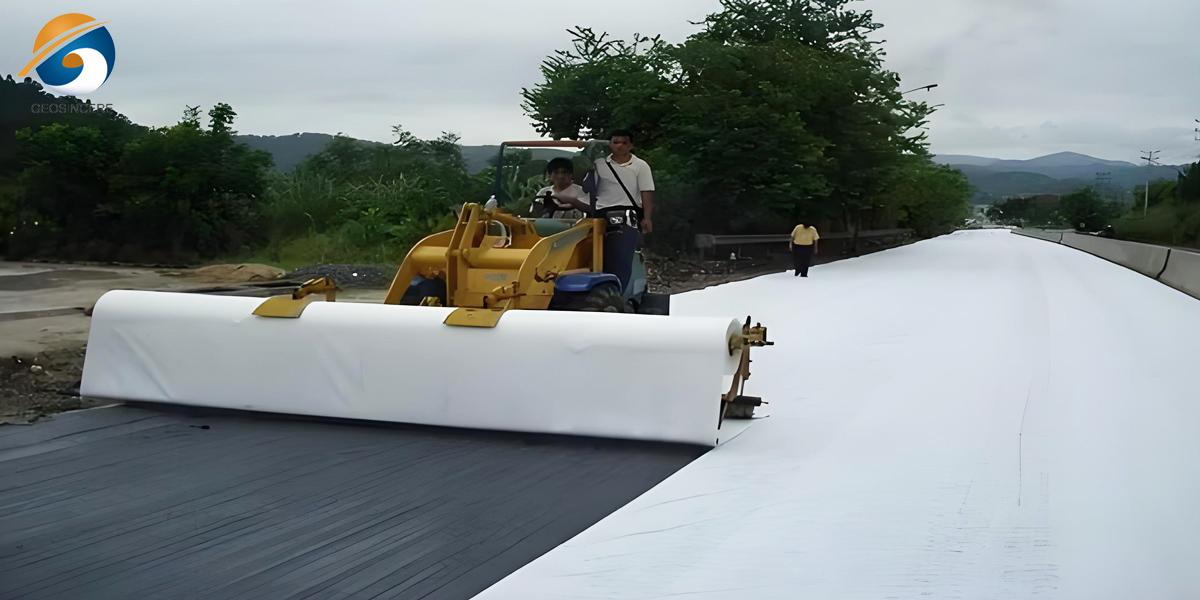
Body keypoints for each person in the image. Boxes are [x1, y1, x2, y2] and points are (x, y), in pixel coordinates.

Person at [585, 130, 655, 294]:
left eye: (624, 142)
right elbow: (588, 187)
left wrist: (647, 218)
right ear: (610, 144)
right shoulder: (599, 164)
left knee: (622, 255)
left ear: (631, 145)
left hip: (626, 213)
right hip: (601, 213)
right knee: (596, 255)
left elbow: (646, 191)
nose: (620, 146)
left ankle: (618, 293)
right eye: (616, 142)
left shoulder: (640, 165)